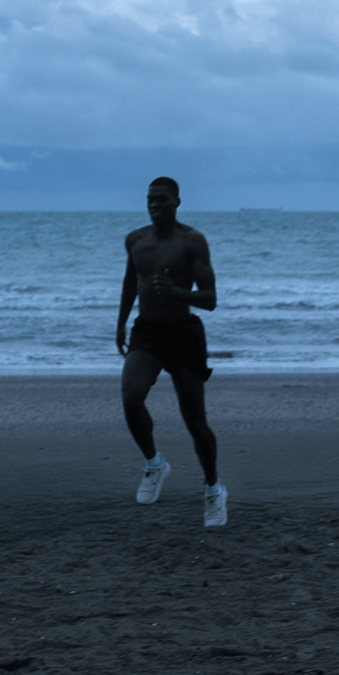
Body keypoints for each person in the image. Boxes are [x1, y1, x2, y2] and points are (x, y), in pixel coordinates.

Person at [115, 176, 225, 527]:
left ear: (177, 201)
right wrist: (119, 323)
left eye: (162, 199)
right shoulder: (135, 240)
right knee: (132, 396)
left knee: (195, 422)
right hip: (147, 331)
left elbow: (210, 300)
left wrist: (178, 292)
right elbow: (131, 282)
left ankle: (213, 489)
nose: (154, 204)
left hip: (183, 333)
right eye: (150, 199)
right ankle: (154, 465)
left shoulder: (192, 241)